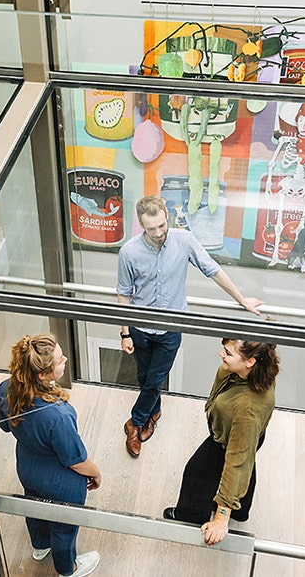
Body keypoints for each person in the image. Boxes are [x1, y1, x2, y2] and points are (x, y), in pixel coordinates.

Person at [117, 195, 265, 457]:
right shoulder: (128, 252)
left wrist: (241, 300)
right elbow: (124, 294)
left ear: (166, 217)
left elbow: (213, 269)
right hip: (140, 328)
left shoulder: (183, 240)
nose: (160, 233)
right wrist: (125, 332)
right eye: (152, 229)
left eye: (163, 225)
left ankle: (134, 423)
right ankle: (154, 411)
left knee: (154, 380)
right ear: (142, 226)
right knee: (145, 377)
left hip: (171, 329)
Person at [0, 333, 102, 577]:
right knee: (64, 528)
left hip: (27, 468)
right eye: (60, 360)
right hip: (61, 483)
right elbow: (75, 460)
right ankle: (68, 568)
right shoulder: (58, 415)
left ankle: (40, 546)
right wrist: (96, 473)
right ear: (43, 374)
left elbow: (5, 425)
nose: (65, 359)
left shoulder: (6, 388)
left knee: (34, 509)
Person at [163, 339, 281, 547]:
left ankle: (190, 516)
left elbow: (237, 462)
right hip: (247, 435)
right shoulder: (261, 369)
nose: (221, 354)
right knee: (248, 464)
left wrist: (221, 517)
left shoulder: (247, 411)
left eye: (228, 353)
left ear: (250, 361)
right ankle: (240, 510)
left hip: (228, 440)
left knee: (196, 473)